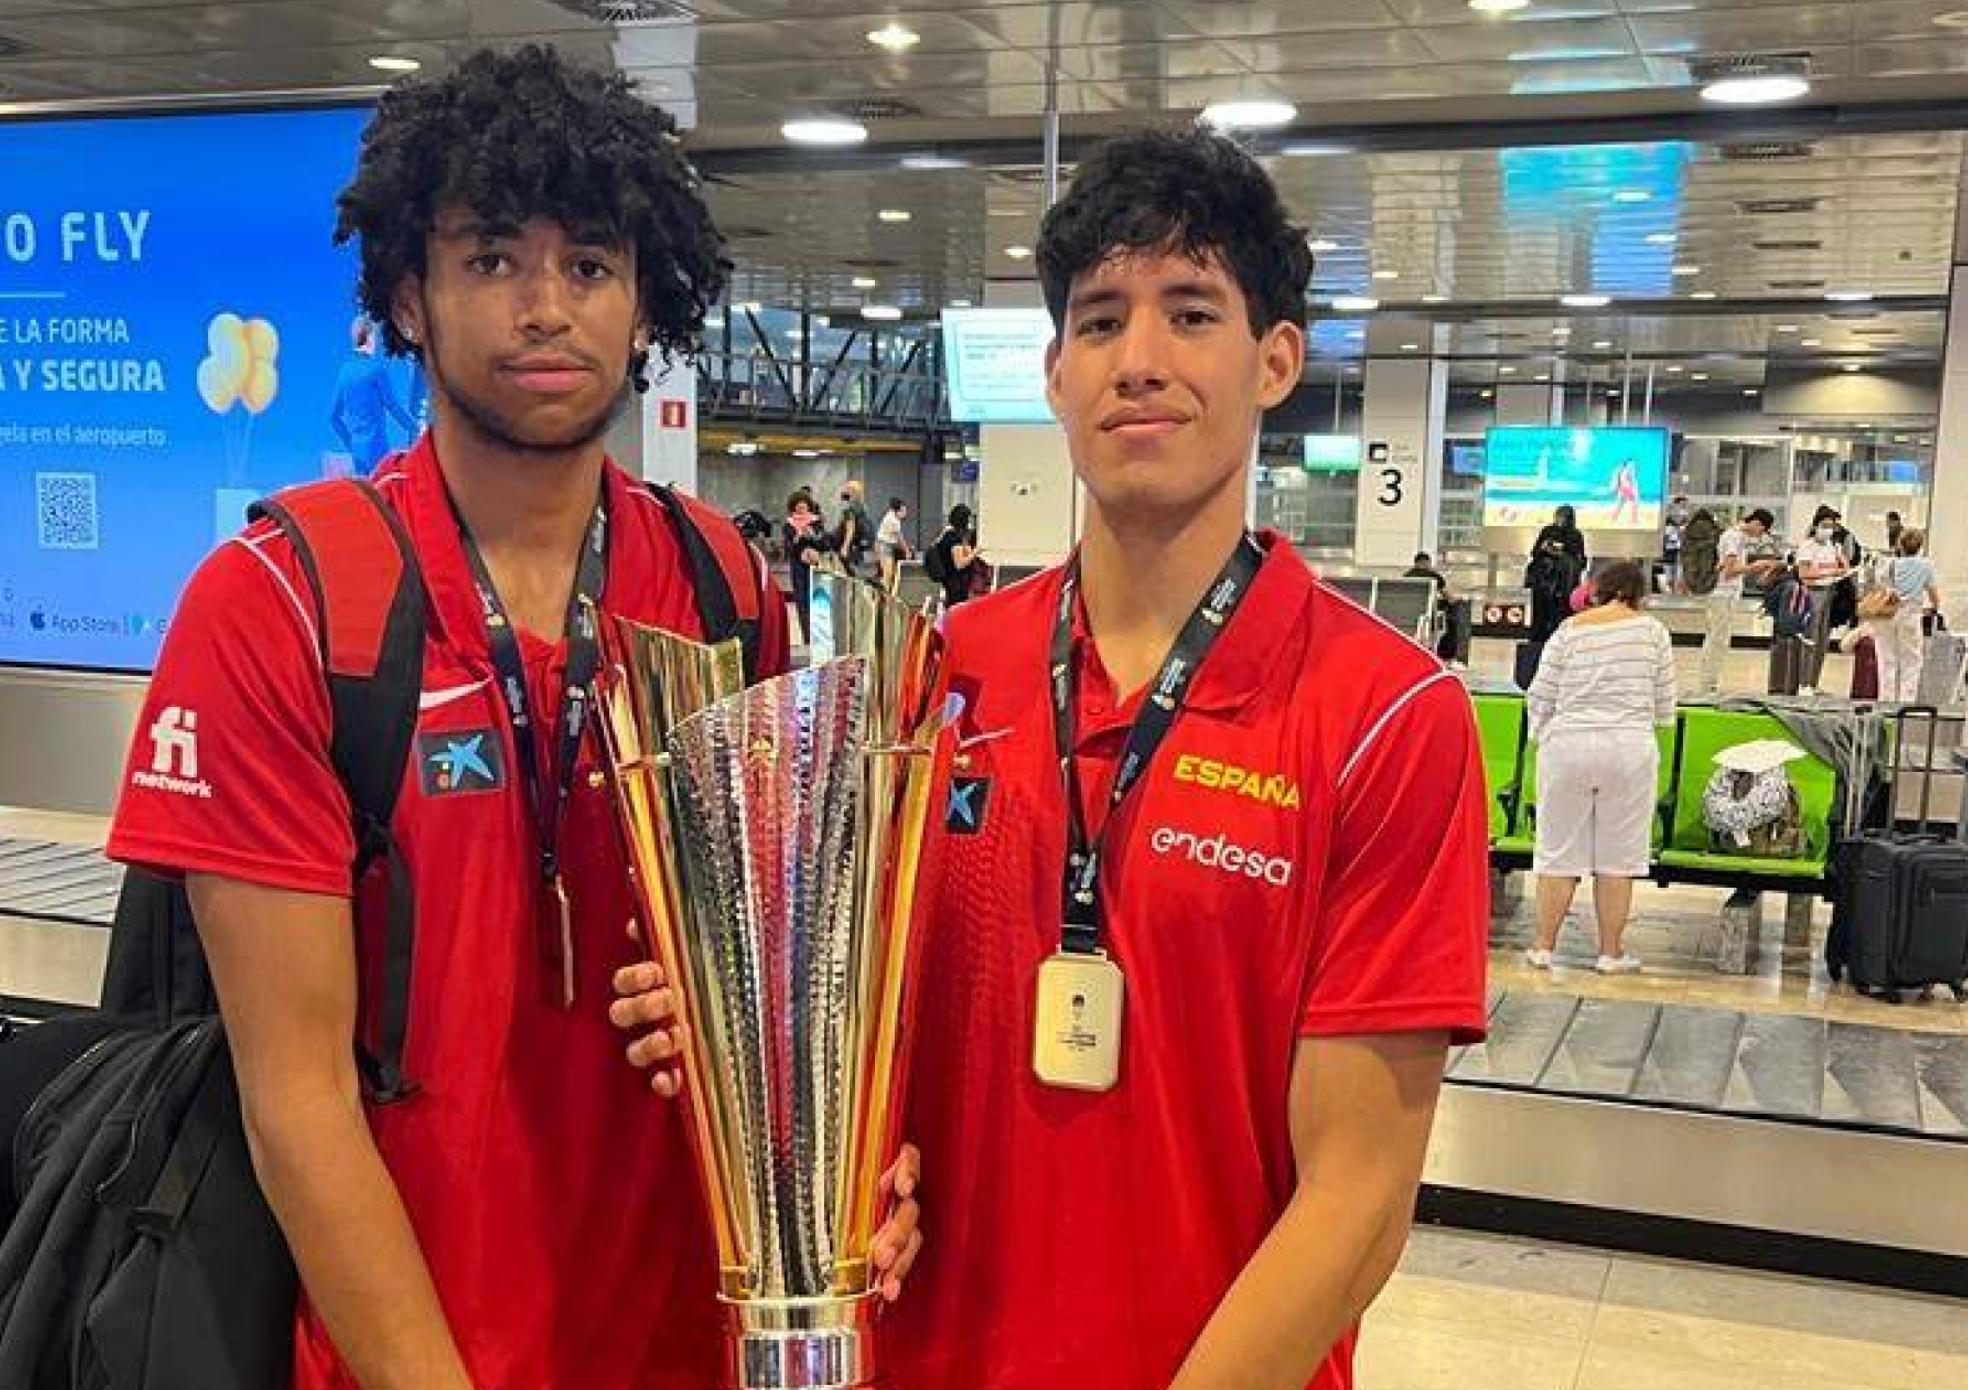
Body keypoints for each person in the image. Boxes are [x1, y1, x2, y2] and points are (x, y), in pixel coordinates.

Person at [620, 124, 1490, 1390]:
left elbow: (1357, 1197)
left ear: (1276, 360)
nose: (1139, 360)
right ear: (1054, 371)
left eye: (1192, 313)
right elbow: (868, 1044)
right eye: (1100, 321)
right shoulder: (934, 676)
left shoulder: (1386, 717)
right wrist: (761, 1051)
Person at [102, 47, 917, 1390]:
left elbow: (786, 994)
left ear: (647, 299)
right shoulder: (284, 604)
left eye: (589, 264)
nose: (546, 308)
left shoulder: (720, 587)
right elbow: (296, 1099)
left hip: (685, 1338)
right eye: (491, 259)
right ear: (407, 295)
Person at [1522, 561, 1677, 975]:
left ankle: (1543, 947)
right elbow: (1665, 706)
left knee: (1557, 853)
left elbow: (1540, 695)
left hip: (1567, 745)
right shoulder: (1653, 632)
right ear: (1639, 595)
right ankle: (1610, 953)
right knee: (1619, 857)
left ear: (1597, 591)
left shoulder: (1568, 630)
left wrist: (1547, 735)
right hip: (1628, 747)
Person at [1700, 507, 1782, 694]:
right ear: (1756, 523)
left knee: (1717, 638)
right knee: (1717, 640)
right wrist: (1755, 567)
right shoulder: (1733, 537)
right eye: (1761, 531)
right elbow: (1730, 571)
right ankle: (1708, 684)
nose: (1758, 535)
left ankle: (1709, 682)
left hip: (1724, 594)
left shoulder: (1736, 537)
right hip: (1723, 594)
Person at [329, 314, 417, 475]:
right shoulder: (376, 370)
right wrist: (416, 427)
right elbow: (393, 407)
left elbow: (333, 418)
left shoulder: (344, 372)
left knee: (365, 490)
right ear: (370, 337)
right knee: (383, 489)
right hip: (377, 450)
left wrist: (350, 442)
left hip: (357, 455)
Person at [1866, 527, 1942, 703]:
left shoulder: (1889, 564)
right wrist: (1934, 608)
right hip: (1910, 615)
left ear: (1900, 544)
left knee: (1886, 658)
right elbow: (1933, 594)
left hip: (1887, 614)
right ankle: (1906, 700)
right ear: (1920, 546)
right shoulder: (1926, 566)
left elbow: (1879, 587)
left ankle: (1886, 699)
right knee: (1911, 659)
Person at [1526, 504, 1586, 643]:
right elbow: (1535, 552)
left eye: (1563, 517)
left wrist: (1564, 555)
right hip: (1544, 580)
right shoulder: (1548, 531)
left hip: (1565, 582)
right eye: (1558, 516)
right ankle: (1538, 638)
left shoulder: (1575, 535)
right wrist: (1546, 549)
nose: (1560, 520)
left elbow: (1580, 559)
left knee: (1561, 613)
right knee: (1541, 613)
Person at [782, 487, 833, 641]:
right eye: (798, 506)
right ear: (793, 508)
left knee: (818, 600)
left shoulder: (816, 522)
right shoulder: (788, 525)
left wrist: (814, 537)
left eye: (804, 506)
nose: (801, 509)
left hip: (815, 567)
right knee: (802, 601)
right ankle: (807, 637)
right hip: (798, 567)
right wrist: (797, 538)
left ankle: (820, 635)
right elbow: (788, 549)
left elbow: (826, 545)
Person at [924, 502, 980, 609]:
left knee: (953, 607)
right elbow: (959, 564)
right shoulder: (954, 539)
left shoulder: (946, 534)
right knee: (957, 608)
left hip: (950, 580)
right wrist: (976, 552)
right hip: (956, 582)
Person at [834, 477, 875, 577]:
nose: (844, 490)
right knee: (857, 572)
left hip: (851, 546)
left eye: (846, 488)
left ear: (852, 491)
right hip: (859, 546)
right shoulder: (862, 507)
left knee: (850, 574)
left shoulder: (849, 509)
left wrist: (845, 547)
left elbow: (850, 529)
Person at [875, 495, 911, 592]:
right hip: (885, 546)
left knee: (889, 574)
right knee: (888, 575)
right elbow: (900, 538)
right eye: (903, 511)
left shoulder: (891, 515)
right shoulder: (893, 520)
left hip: (885, 545)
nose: (905, 513)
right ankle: (883, 594)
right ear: (897, 511)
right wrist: (907, 551)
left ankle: (884, 593)